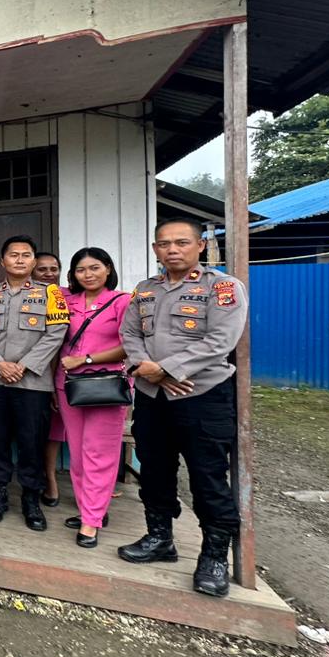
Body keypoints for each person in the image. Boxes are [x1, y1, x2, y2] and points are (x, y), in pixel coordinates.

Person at [118, 218, 248, 597]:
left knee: (207, 476)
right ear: (155, 249)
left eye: (181, 242)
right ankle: (160, 538)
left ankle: (213, 557)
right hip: (152, 397)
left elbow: (221, 340)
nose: (172, 250)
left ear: (200, 245)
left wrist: (167, 369)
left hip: (201, 396)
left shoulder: (222, 287)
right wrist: (148, 370)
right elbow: (129, 334)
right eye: (164, 244)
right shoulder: (145, 289)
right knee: (155, 470)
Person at [0, 235, 70, 529]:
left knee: (32, 442)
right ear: (2, 261)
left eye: (26, 255)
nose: (19, 259)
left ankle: (31, 499)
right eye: (13, 254)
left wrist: (24, 366)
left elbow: (57, 333)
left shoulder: (51, 294)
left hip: (32, 383)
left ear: (33, 261)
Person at [54, 248, 130, 548]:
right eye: (81, 269)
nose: (88, 274)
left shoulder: (122, 301)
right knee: (78, 453)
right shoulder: (66, 301)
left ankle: (91, 520)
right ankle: (91, 509)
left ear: (108, 269)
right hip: (69, 386)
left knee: (99, 454)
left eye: (95, 267)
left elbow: (130, 345)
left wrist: (85, 359)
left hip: (105, 386)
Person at [34, 252, 66, 507]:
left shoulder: (66, 297)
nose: (48, 273)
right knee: (45, 431)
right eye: (42, 269)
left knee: (61, 432)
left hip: (71, 373)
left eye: (53, 268)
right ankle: (49, 479)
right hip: (40, 374)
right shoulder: (31, 295)